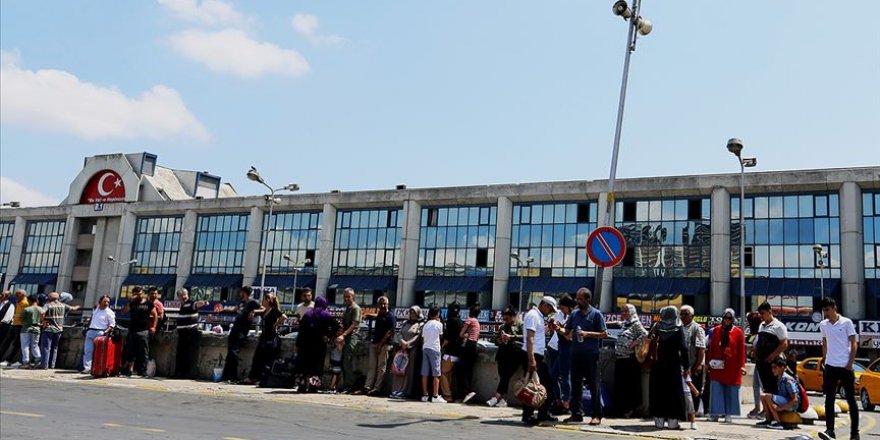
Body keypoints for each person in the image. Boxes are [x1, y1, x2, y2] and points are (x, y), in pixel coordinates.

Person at [817, 297, 860, 440]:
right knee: (829, 399)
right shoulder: (823, 324)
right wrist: (824, 359)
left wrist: (850, 362)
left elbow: (854, 343)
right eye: (824, 311)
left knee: (851, 400)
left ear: (834, 308)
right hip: (830, 366)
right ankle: (830, 430)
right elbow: (824, 343)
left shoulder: (847, 322)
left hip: (845, 367)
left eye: (828, 310)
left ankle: (854, 434)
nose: (826, 313)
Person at [564, 288, 607, 425]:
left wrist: (587, 334)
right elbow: (567, 331)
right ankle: (576, 413)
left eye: (580, 299)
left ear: (587, 300)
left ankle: (596, 415)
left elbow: (604, 334)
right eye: (577, 298)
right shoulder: (574, 314)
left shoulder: (596, 314)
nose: (577, 301)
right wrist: (556, 327)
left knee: (593, 385)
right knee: (575, 385)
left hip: (590, 355)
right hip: (576, 354)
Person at [648, 306, 690, 430]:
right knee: (673, 392)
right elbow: (684, 348)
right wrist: (687, 366)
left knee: (658, 391)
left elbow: (647, 340)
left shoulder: (656, 326)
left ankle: (659, 420)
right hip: (673, 365)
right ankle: (673, 421)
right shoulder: (678, 328)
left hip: (658, 364)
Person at [520, 296, 558, 425]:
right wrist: (531, 360)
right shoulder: (533, 315)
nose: (550, 312)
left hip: (538, 355)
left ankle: (541, 414)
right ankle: (529, 415)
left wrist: (549, 329)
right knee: (533, 388)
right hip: (533, 355)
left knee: (540, 387)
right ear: (544, 305)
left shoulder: (539, 316)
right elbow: (530, 338)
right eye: (550, 309)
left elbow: (537, 335)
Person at [706, 308, 746, 424]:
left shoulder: (738, 332)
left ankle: (729, 414)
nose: (727, 320)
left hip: (732, 367)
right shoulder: (717, 330)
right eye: (725, 318)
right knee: (716, 390)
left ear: (733, 319)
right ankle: (715, 414)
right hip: (717, 365)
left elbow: (741, 351)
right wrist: (708, 363)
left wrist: (742, 366)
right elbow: (712, 347)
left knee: (731, 390)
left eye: (729, 318)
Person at [611, 303, 647, 418]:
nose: (623, 313)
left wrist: (634, 343)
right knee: (620, 386)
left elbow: (645, 334)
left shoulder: (636, 323)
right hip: (620, 358)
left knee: (629, 386)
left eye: (626, 311)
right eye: (622, 311)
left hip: (629, 359)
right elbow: (617, 324)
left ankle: (630, 410)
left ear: (631, 312)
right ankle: (620, 410)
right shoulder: (625, 324)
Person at [295, 296, 339, 390]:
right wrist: (328, 335)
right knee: (316, 365)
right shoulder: (326, 315)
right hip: (318, 344)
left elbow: (301, 331)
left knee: (304, 365)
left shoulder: (307, 314)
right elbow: (336, 326)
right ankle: (313, 386)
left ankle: (302, 386)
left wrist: (298, 344)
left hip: (305, 345)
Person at [221, 286, 262, 382]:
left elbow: (263, 308)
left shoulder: (253, 303)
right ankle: (226, 376)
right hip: (235, 329)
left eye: (241, 292)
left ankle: (233, 376)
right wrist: (223, 310)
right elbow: (234, 310)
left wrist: (253, 312)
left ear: (245, 293)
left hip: (242, 330)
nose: (240, 294)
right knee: (230, 353)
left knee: (234, 352)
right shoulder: (241, 303)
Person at [242, 293, 283, 385]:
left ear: (268, 300)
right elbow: (259, 311)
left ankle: (263, 378)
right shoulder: (265, 311)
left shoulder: (273, 311)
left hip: (271, 338)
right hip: (264, 337)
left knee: (267, 359)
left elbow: (283, 317)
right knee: (257, 358)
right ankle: (253, 377)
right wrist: (253, 312)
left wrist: (276, 324)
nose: (262, 302)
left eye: (264, 300)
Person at [362, 296, 396, 396]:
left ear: (388, 304)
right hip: (375, 343)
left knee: (381, 367)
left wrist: (380, 344)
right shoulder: (380, 315)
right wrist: (367, 315)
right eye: (380, 304)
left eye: (384, 303)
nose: (382, 305)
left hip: (384, 345)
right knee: (372, 366)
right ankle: (367, 387)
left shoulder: (390, 316)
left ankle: (377, 388)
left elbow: (390, 332)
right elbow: (376, 315)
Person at [487, 305, 520, 408]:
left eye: (508, 318)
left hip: (514, 355)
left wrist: (512, 338)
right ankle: (503, 399)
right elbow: (496, 341)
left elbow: (524, 338)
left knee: (506, 376)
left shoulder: (519, 326)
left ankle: (496, 397)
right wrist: (499, 340)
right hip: (502, 355)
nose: (506, 320)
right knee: (503, 377)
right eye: (504, 318)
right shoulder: (502, 327)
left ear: (513, 316)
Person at [122, 287, 158, 377]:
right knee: (131, 351)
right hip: (132, 330)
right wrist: (129, 301)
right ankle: (129, 370)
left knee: (144, 352)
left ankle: (142, 371)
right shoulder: (132, 303)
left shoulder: (148, 303)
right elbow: (123, 311)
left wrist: (153, 327)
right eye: (136, 293)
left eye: (140, 293)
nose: (139, 295)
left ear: (143, 293)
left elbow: (155, 315)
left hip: (144, 331)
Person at [39, 292, 81, 369]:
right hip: (59, 329)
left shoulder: (48, 305)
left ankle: (44, 365)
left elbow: (42, 312)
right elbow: (73, 309)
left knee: (46, 347)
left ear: (49, 298)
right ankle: (52, 365)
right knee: (55, 348)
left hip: (49, 329)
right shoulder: (63, 305)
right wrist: (77, 306)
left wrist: (43, 321)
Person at [756, 358, 801, 430]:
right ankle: (768, 420)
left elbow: (795, 400)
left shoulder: (788, 380)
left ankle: (778, 422)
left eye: (775, 368)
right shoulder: (780, 378)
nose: (773, 370)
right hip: (785, 400)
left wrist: (781, 408)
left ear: (782, 368)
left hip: (792, 405)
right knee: (763, 396)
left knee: (768, 396)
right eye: (772, 368)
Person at [754, 301, 789, 395]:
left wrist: (772, 356)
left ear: (769, 312)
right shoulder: (761, 325)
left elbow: (784, 344)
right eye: (760, 314)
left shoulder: (779, 326)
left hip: (772, 363)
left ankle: (775, 408)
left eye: (763, 313)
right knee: (765, 388)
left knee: (774, 387)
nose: (761, 316)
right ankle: (767, 408)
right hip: (761, 363)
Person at [391, 305, 424, 399]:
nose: (412, 314)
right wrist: (402, 342)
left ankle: (405, 391)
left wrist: (408, 343)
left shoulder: (420, 324)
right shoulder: (405, 323)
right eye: (411, 312)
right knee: (398, 369)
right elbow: (399, 333)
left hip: (411, 350)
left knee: (408, 371)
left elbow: (417, 337)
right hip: (401, 349)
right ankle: (396, 390)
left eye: (414, 313)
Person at [679, 305, 706, 417]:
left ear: (692, 316)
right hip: (682, 366)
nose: (683, 316)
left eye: (686, 314)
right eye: (682, 314)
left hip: (694, 364)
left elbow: (701, 348)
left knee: (694, 389)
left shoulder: (697, 329)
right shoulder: (679, 327)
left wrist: (698, 365)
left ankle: (692, 414)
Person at [173, 288, 207, 379]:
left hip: (189, 332)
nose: (183, 297)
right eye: (181, 295)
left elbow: (197, 304)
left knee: (187, 354)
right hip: (182, 333)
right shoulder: (182, 305)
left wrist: (204, 302)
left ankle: (184, 373)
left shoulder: (191, 303)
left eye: (185, 294)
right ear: (178, 297)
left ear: (188, 295)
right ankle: (178, 372)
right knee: (180, 353)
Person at [336, 287, 361, 393]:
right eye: (345, 297)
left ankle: (349, 385)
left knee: (347, 361)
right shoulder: (347, 308)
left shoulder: (355, 308)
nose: (346, 299)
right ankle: (345, 384)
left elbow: (353, 325)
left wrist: (343, 335)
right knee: (343, 362)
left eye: (348, 297)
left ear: (353, 297)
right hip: (346, 336)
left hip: (352, 337)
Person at [82, 295, 116, 373]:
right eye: (105, 301)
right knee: (88, 350)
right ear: (100, 302)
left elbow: (112, 324)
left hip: (101, 332)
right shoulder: (96, 308)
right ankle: (87, 367)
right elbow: (92, 317)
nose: (106, 303)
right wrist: (87, 327)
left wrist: (105, 332)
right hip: (91, 331)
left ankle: (97, 367)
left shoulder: (109, 312)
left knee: (99, 352)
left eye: (108, 302)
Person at [457, 304, 481, 403]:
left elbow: (461, 334)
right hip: (474, 346)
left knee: (461, 370)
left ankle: (467, 392)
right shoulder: (477, 322)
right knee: (469, 371)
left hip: (468, 346)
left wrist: (465, 335)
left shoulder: (469, 320)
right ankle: (468, 394)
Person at [421, 306, 445, 403]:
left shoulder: (425, 325)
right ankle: (435, 395)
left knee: (425, 373)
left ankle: (425, 395)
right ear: (438, 314)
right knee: (436, 373)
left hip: (425, 347)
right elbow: (440, 336)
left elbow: (423, 338)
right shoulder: (439, 324)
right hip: (435, 348)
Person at [440, 302, 463, 402]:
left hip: (450, 351)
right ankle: (448, 394)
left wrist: (441, 347)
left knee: (443, 373)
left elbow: (447, 339)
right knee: (449, 374)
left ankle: (447, 395)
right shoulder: (461, 321)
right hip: (458, 351)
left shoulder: (450, 321)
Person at [0, 289, 28, 367]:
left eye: (17, 295)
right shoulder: (18, 302)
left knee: (16, 344)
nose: (16, 296)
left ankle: (9, 360)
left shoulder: (25, 303)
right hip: (15, 324)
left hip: (20, 326)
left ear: (22, 295)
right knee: (6, 342)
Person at [745, 310, 764, 419]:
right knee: (756, 386)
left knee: (762, 387)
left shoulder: (761, 333)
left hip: (762, 363)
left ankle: (765, 409)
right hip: (758, 363)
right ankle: (757, 408)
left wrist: (754, 351)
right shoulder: (756, 334)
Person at [20, 294, 43, 368]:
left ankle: (26, 362)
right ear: (37, 300)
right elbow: (43, 319)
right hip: (37, 329)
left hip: (26, 329)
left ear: (29, 300)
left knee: (25, 345)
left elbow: (22, 319)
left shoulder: (26, 309)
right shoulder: (41, 309)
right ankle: (38, 358)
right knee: (35, 345)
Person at [0, 290, 17, 365]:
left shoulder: (10, 305)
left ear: (7, 296)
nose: (1, 296)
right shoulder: (1, 303)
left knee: (1, 342)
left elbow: (7, 318)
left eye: (2, 295)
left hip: (3, 327)